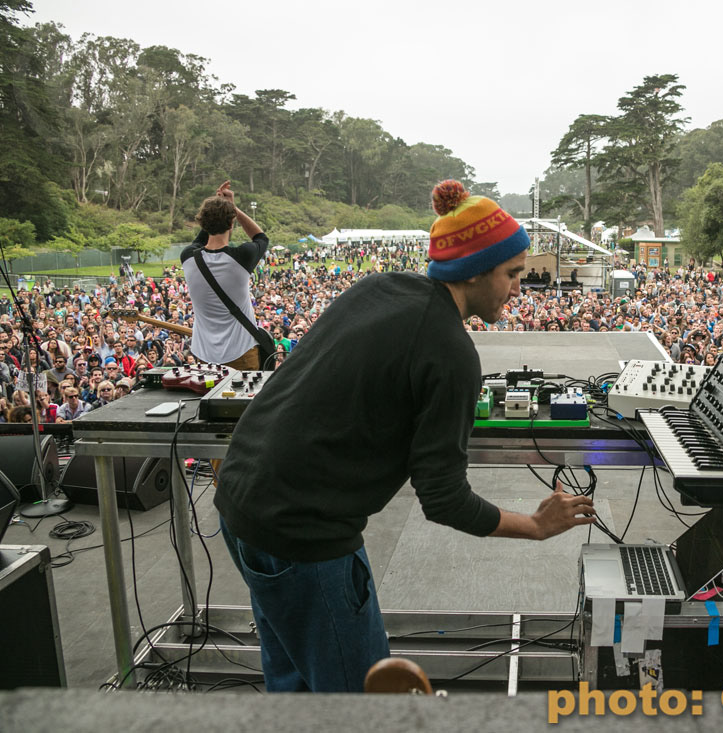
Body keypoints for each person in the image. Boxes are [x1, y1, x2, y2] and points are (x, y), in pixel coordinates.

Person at [213, 181, 595, 693]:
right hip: (302, 535)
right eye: (512, 273)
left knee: (294, 682)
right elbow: (443, 499)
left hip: (240, 502)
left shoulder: (378, 287)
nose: (518, 289)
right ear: (474, 270)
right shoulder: (451, 351)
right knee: (364, 699)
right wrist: (535, 526)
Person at [181, 181, 268, 370]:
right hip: (242, 352)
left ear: (202, 223)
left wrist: (220, 210)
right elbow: (261, 237)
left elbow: (201, 238)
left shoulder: (188, 257)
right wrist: (232, 208)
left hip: (204, 355)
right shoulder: (242, 256)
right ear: (231, 223)